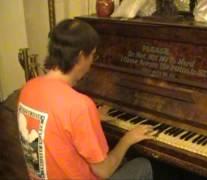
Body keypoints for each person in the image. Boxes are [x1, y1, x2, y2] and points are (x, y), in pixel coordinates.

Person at [17, 19, 154, 180]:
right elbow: (104, 171)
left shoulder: (28, 88)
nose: (92, 62)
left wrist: (91, 118)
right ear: (81, 56)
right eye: (93, 55)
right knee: (143, 165)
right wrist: (128, 139)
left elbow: (56, 128)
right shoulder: (79, 105)